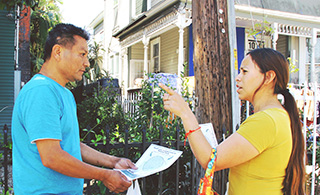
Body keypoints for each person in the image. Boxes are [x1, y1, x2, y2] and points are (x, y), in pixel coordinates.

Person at [159, 48, 305, 195]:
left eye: (245, 71)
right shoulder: (276, 116)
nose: (238, 77)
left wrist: (185, 112)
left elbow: (210, 160)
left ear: (269, 77)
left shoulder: (266, 120)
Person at [11, 23, 136, 194]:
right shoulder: (41, 91)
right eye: (82, 54)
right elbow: (52, 157)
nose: (86, 63)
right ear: (58, 52)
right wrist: (104, 175)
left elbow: (71, 145)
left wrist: (113, 162)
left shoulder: (64, 93)